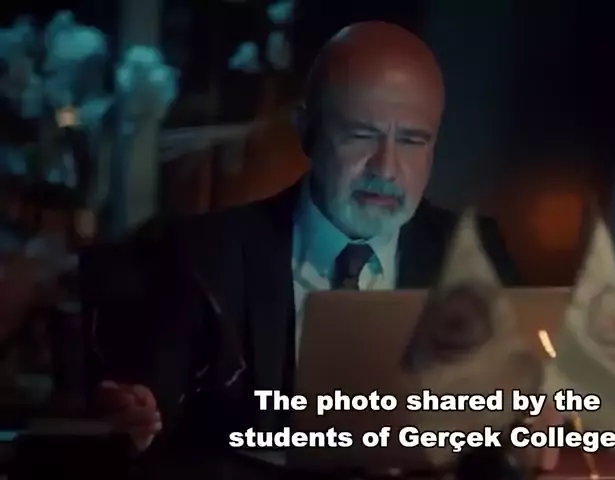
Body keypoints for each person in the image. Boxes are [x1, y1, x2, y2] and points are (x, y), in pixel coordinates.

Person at [90, 21, 560, 471]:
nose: (386, 168)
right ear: (306, 130)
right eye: (362, 135)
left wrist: (532, 427)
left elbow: (521, 410)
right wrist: (135, 418)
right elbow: (152, 411)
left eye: (412, 141)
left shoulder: (474, 253)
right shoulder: (206, 254)